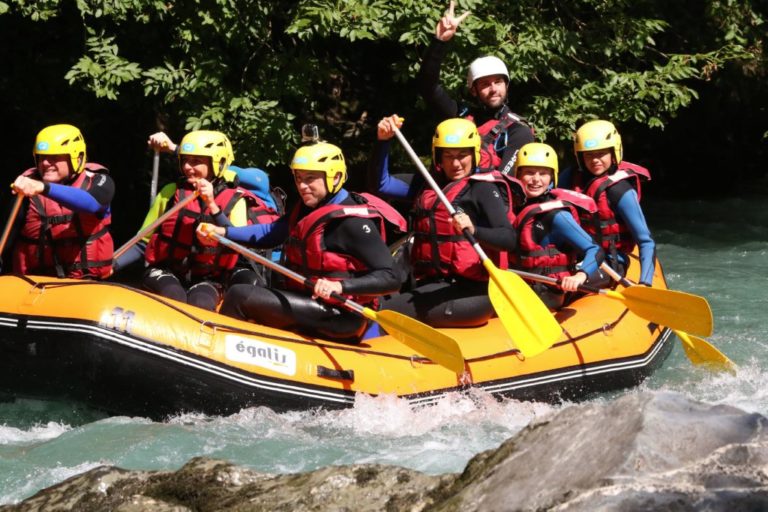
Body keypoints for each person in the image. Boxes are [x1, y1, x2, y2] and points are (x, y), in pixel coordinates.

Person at [198, 141, 405, 342]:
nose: (302, 186)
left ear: (335, 177)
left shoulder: (353, 223)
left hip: (341, 316)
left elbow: (392, 277)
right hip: (310, 302)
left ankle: (218, 349)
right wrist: (223, 231)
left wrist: (340, 286)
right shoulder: (309, 207)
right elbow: (272, 232)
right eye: (298, 178)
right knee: (249, 283)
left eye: (310, 178)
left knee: (240, 296)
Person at [371, 116, 517, 327]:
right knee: (373, 301)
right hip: (432, 285)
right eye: (448, 156)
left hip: (469, 294)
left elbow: (509, 239)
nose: (455, 163)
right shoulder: (428, 184)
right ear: (438, 157)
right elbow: (381, 184)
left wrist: (474, 230)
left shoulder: (482, 188)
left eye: (462, 155)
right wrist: (382, 141)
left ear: (474, 154)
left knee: (381, 313)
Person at [117, 130, 279, 310]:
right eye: (185, 160)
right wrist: (113, 264)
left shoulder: (236, 200)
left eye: (196, 161)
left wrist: (212, 204)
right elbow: (142, 242)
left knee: (201, 303)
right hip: (165, 270)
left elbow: (238, 243)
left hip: (209, 278)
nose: (187, 166)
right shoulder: (170, 192)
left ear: (217, 163)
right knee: (174, 295)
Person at [416, 1, 534, 175]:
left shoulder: (518, 130)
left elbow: (504, 180)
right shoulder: (460, 115)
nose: (493, 89)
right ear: (473, 90)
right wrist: (439, 41)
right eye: (485, 84)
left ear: (506, 85)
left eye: (498, 82)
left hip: (484, 191)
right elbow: (428, 87)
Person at [7, 124, 114, 279]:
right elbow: (6, 238)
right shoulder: (25, 189)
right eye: (41, 157)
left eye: (54, 157)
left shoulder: (100, 182)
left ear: (76, 158)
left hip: (87, 282)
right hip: (35, 283)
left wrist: (42, 187)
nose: (45, 163)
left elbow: (91, 203)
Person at [561, 120, 656, 286]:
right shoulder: (569, 177)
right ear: (580, 156)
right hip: (577, 255)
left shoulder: (620, 190)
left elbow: (646, 241)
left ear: (613, 153)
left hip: (609, 261)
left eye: (601, 153)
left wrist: (645, 283)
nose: (595, 160)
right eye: (589, 155)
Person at [511, 142, 604, 309]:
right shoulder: (510, 206)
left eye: (543, 173)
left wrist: (580, 276)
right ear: (518, 174)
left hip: (546, 292)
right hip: (515, 283)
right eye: (529, 172)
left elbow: (595, 249)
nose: (536, 179)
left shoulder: (557, 216)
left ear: (552, 177)